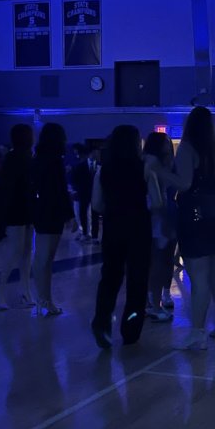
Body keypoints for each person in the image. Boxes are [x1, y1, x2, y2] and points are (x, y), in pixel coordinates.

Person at [90, 125, 163, 349]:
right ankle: (130, 329)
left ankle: (102, 323)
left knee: (110, 278)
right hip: (138, 230)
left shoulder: (103, 171)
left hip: (113, 228)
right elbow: (158, 203)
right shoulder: (145, 170)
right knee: (137, 281)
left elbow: (96, 204)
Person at [169, 106, 215, 349]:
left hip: (195, 217)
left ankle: (197, 332)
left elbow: (184, 184)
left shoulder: (187, 148)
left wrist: (160, 172)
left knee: (199, 277)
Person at [31, 123, 75, 316]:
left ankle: (42, 297)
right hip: (53, 211)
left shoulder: (36, 158)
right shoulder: (56, 160)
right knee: (47, 258)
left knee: (41, 256)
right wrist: (70, 215)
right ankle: (45, 298)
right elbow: (60, 190)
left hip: (39, 209)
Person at [0, 124, 36, 310]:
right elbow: (8, 188)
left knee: (27, 251)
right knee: (17, 251)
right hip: (17, 210)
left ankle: (25, 291)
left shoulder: (25, 157)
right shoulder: (15, 158)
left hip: (26, 209)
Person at [143, 131, 177, 320]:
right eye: (165, 142)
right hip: (157, 213)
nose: (168, 144)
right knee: (158, 259)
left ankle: (161, 296)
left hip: (165, 210)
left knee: (165, 258)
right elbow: (158, 196)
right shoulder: (152, 163)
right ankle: (154, 300)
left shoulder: (168, 164)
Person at [70, 146, 100, 243]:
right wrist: (77, 189)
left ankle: (95, 236)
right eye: (95, 152)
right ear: (91, 153)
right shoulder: (81, 166)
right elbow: (75, 178)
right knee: (82, 213)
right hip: (84, 193)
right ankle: (84, 233)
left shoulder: (100, 165)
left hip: (96, 193)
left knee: (95, 214)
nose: (97, 154)